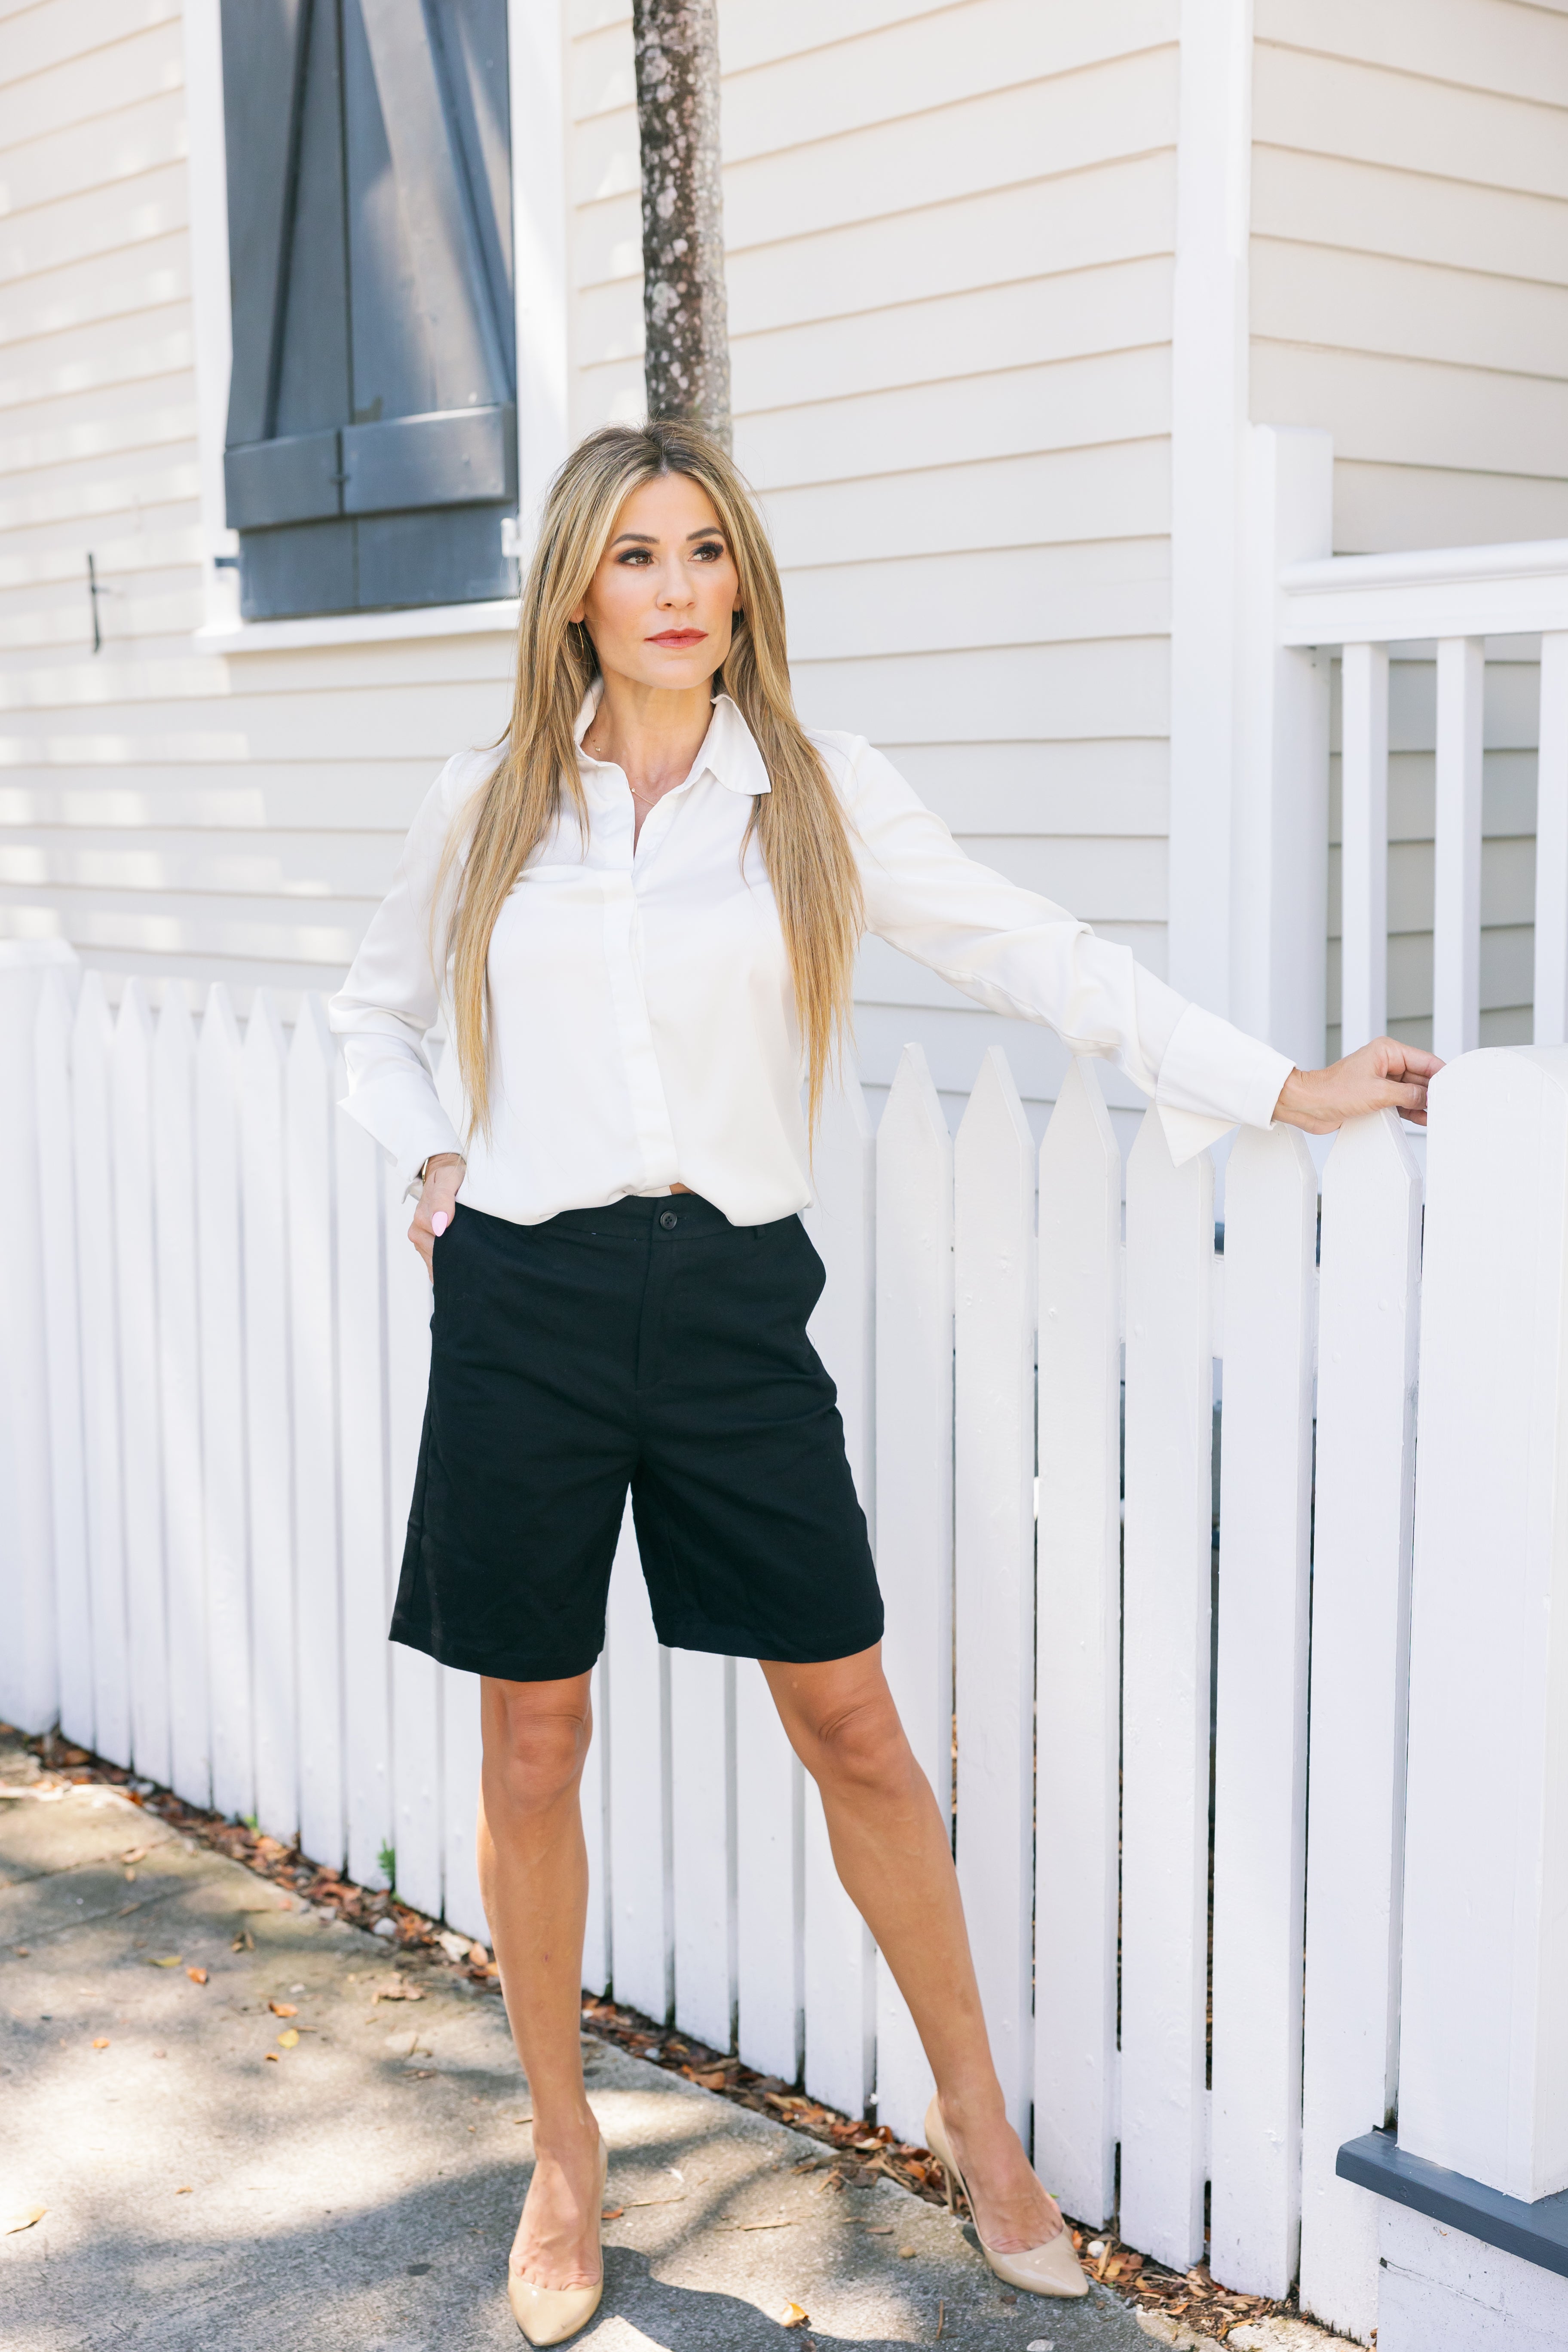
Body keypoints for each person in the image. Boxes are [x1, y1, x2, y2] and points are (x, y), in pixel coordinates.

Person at [330, 420, 1438, 2345]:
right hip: (526, 1299)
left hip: (732, 1302)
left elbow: (1032, 950)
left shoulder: (813, 793)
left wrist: (1278, 1085)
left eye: (706, 551)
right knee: (532, 1745)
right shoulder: (490, 801)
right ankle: (565, 2152)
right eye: (637, 556)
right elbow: (372, 1015)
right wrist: (428, 1152)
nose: (679, 589)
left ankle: (976, 2125)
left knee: (852, 1721)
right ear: (576, 589)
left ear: (742, 578)